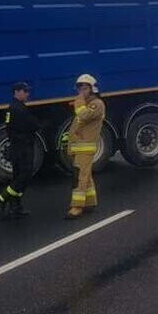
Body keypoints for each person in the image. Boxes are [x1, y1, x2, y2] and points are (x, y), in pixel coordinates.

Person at [0, 82, 41, 219]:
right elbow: (34, 124)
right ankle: (1, 199)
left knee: (19, 177)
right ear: (17, 92)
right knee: (23, 177)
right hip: (23, 148)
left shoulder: (12, 107)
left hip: (16, 147)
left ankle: (16, 206)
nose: (27, 94)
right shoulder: (19, 109)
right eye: (25, 91)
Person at [65, 74, 106, 219]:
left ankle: (77, 206)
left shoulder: (97, 104)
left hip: (86, 148)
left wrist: (79, 104)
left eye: (85, 87)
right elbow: (79, 124)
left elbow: (84, 116)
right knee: (85, 176)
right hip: (79, 146)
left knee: (80, 177)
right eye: (80, 87)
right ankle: (90, 202)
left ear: (92, 88)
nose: (82, 90)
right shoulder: (85, 104)